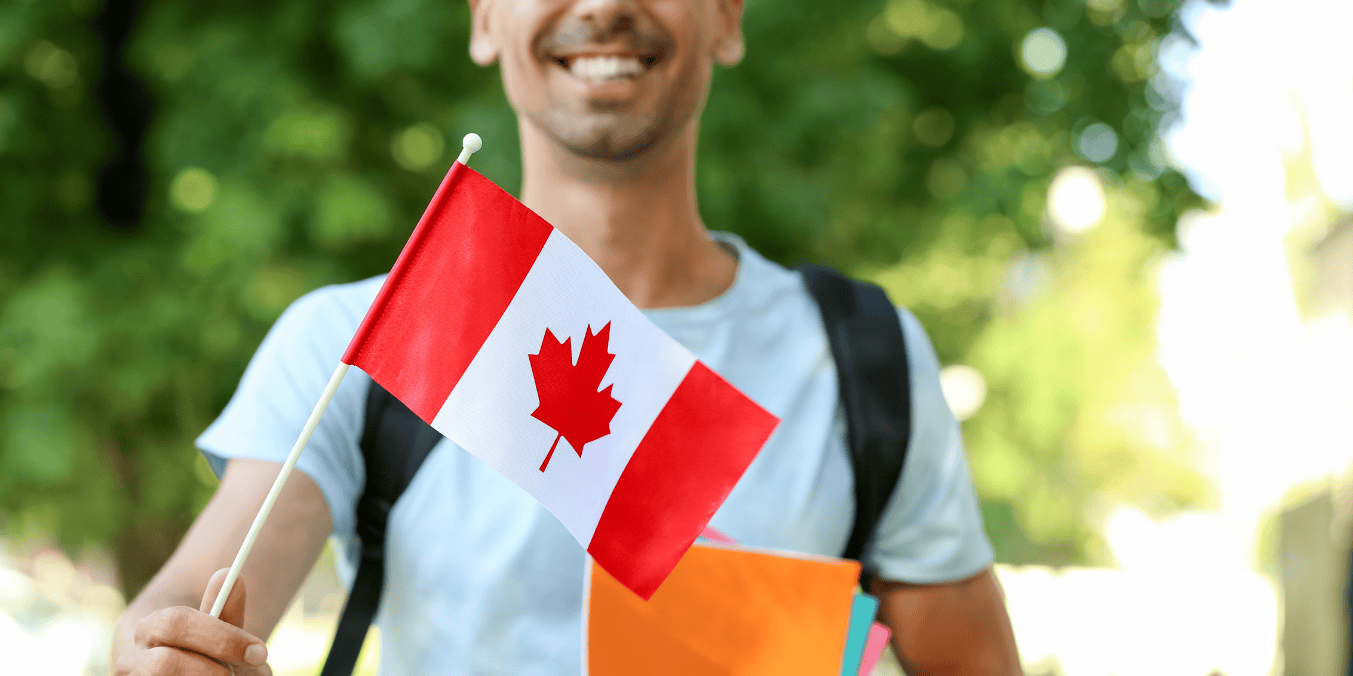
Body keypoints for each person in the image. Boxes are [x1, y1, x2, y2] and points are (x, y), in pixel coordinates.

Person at [111, 0, 1023, 673]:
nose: (602, 7)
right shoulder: (356, 339)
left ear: (729, 20)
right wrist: (161, 649)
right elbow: (208, 587)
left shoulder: (863, 359)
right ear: (481, 21)